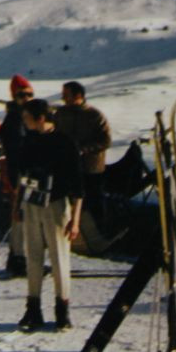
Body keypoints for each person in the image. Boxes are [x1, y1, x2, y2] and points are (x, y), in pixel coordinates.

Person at [13, 99, 83, 332]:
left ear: (40, 118)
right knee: (33, 256)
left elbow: (78, 184)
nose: (24, 122)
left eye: (27, 117)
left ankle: (62, 310)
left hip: (56, 203)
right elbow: (21, 175)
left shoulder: (64, 142)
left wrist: (76, 218)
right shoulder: (28, 141)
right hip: (32, 202)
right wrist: (18, 206)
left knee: (59, 258)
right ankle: (33, 308)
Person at [53, 81, 112, 238]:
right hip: (66, 166)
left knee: (94, 201)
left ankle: (100, 233)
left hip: (91, 168)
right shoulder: (60, 114)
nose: (63, 98)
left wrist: (84, 149)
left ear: (78, 96)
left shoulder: (95, 116)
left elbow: (105, 141)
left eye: (66, 95)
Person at [0, 75, 35, 277]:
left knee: (22, 216)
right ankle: (19, 259)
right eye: (22, 95)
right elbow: (15, 151)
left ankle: (17, 257)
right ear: (15, 96)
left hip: (24, 171)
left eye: (30, 94)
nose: (27, 98)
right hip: (20, 172)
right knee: (21, 215)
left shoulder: (23, 116)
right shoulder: (14, 120)